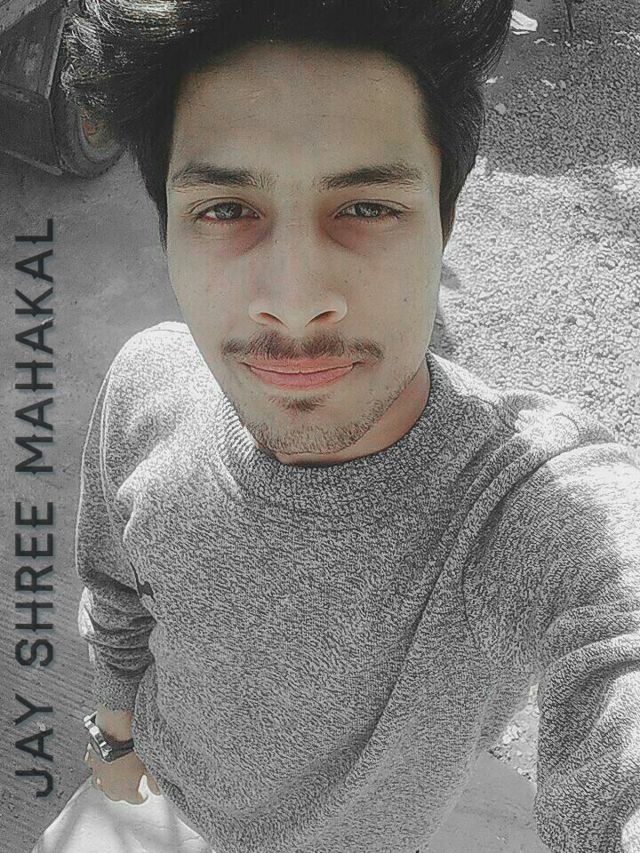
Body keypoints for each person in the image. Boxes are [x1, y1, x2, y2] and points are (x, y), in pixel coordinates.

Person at [62, 1, 640, 852]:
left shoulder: (514, 507)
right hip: (156, 798)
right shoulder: (145, 383)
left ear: (446, 222)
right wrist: (112, 741)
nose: (296, 302)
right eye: (225, 208)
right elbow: (114, 594)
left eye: (367, 207)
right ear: (167, 233)